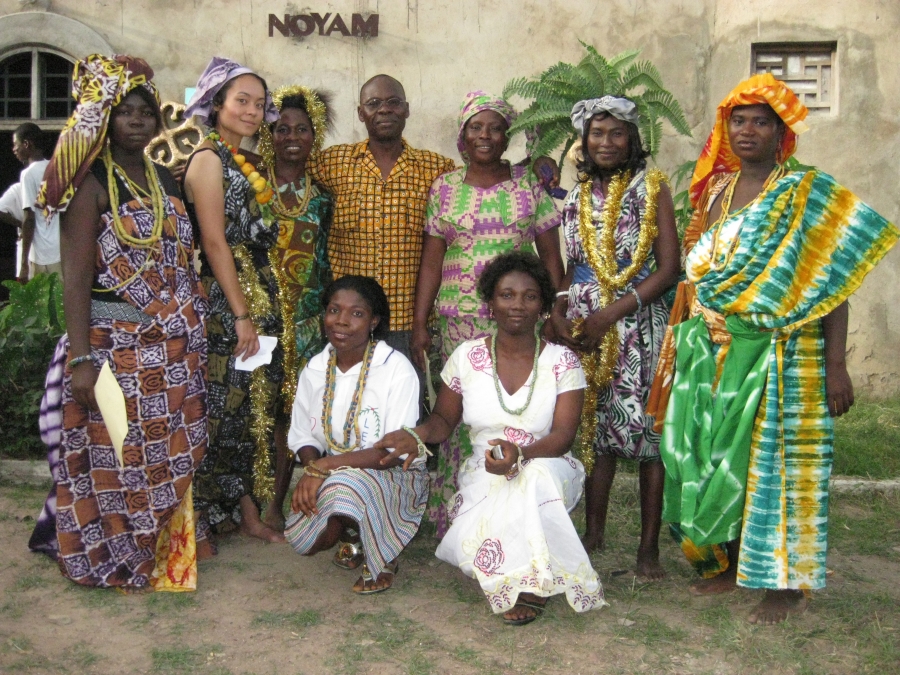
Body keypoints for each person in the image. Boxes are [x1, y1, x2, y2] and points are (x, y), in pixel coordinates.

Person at [648, 74, 899, 624]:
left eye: (761, 121)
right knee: (715, 457)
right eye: (739, 120)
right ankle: (728, 565)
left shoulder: (808, 193)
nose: (747, 130)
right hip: (711, 350)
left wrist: (837, 366)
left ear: (782, 131)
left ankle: (784, 587)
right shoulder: (713, 189)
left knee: (776, 467)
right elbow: (697, 277)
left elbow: (834, 283)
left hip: (786, 354)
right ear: (725, 127)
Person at [28, 54, 208, 591]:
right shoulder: (90, 185)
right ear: (106, 120)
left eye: (145, 112)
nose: (136, 120)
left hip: (170, 350)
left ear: (158, 121)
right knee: (113, 460)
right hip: (110, 348)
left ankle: (160, 554)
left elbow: (181, 264)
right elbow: (76, 279)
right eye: (125, 112)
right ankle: (110, 558)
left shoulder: (165, 181)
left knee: (163, 458)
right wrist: (81, 358)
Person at [378, 252, 606, 625]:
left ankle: (531, 586)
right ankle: (519, 568)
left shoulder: (563, 362)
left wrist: (521, 453)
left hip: (547, 466)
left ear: (544, 307)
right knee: (501, 505)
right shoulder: (466, 357)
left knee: (533, 479)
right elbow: (442, 421)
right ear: (490, 303)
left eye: (529, 296)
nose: (518, 305)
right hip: (485, 471)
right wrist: (414, 435)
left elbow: (564, 436)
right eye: (507, 295)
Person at [307, 75, 560, 362]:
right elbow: (286, 167)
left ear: (407, 109)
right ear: (360, 112)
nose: (384, 110)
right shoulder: (334, 162)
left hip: (410, 318)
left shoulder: (435, 169)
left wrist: (538, 160)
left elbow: (493, 177)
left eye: (393, 103)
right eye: (374, 103)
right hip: (351, 317)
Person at [413, 91, 565, 537]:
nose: (485, 135)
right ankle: (455, 513)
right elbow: (431, 262)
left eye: (495, 127)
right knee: (456, 418)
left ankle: (511, 510)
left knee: (507, 415)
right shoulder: (444, 189)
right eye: (476, 127)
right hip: (457, 325)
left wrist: (554, 311)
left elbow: (551, 260)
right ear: (462, 136)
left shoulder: (528, 187)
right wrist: (421, 323)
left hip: (516, 323)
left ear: (507, 136)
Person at [549, 96, 679, 580]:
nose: (606, 143)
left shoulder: (653, 188)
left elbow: (668, 268)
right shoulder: (578, 196)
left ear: (633, 141)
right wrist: (560, 308)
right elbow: (569, 265)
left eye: (617, 134)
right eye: (596, 134)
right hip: (587, 322)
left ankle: (648, 551)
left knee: (649, 437)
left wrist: (614, 313)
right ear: (584, 142)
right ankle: (593, 533)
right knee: (594, 431)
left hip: (639, 322)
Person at [182, 56, 285, 547]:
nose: (251, 110)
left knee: (248, 409)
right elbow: (215, 242)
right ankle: (197, 517)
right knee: (218, 408)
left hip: (258, 290)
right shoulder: (208, 159)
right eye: (241, 100)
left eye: (259, 103)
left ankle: (245, 511)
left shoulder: (243, 159)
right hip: (227, 299)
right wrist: (241, 314)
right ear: (216, 102)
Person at [284, 275, 428, 594]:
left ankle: (382, 555)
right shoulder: (316, 368)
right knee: (303, 539)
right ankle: (351, 534)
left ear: (374, 321)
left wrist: (322, 468)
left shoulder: (395, 368)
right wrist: (312, 465)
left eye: (357, 313)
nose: (342, 321)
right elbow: (302, 436)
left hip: (394, 476)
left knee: (345, 486)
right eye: (334, 310)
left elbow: (393, 452)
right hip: (332, 472)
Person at [255, 85, 334, 530]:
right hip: (258, 320)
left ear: (313, 136)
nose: (291, 137)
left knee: (293, 415)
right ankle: (246, 502)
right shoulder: (250, 186)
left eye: (301, 129)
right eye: (282, 128)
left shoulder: (322, 196)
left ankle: (276, 506)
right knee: (253, 411)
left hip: (306, 325)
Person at [15, 122, 61, 281]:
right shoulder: (56, 169)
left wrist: (23, 263)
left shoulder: (28, 174)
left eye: (16, 145)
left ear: (26, 144)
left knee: (41, 304)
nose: (14, 150)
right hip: (62, 251)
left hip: (41, 254)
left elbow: (29, 218)